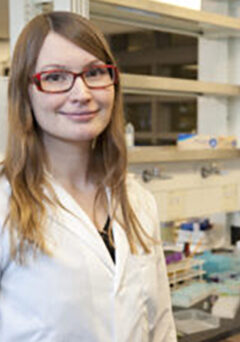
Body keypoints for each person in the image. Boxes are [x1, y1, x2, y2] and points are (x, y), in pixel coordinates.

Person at [0, 11, 176, 341]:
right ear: (25, 92)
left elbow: (162, 327)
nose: (82, 93)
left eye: (95, 73)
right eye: (55, 77)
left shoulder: (137, 201)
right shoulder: (5, 202)